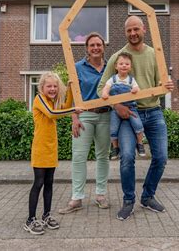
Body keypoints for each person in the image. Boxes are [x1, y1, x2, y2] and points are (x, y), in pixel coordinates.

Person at [98, 15, 174, 221]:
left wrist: (167, 86)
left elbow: (162, 84)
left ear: (144, 30)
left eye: (136, 29)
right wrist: (116, 105)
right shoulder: (117, 57)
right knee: (127, 158)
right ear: (125, 32)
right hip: (127, 114)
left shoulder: (155, 54)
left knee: (161, 158)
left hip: (154, 111)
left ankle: (147, 197)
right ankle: (129, 200)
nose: (132, 33)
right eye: (129, 30)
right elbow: (101, 88)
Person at [58, 32, 112, 214]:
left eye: (99, 44)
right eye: (92, 45)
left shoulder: (110, 68)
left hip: (106, 116)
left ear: (103, 47)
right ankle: (77, 198)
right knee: (79, 157)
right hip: (84, 117)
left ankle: (101, 195)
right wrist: (74, 117)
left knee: (103, 156)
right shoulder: (77, 67)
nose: (96, 48)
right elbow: (71, 94)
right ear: (87, 49)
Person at [23, 72, 81, 235]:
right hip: (40, 149)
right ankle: (30, 220)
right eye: (49, 86)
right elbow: (52, 114)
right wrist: (74, 110)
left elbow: (64, 106)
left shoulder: (52, 101)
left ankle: (46, 215)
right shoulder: (39, 99)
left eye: (55, 86)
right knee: (39, 183)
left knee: (49, 183)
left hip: (51, 148)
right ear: (42, 87)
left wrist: (69, 89)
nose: (53, 89)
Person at [101, 52, 146, 160]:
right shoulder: (113, 79)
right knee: (113, 128)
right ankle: (115, 148)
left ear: (130, 67)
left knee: (138, 125)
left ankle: (140, 144)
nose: (124, 66)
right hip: (116, 109)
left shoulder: (131, 80)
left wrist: (135, 89)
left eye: (127, 64)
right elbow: (106, 88)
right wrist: (105, 93)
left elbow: (137, 89)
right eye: (121, 64)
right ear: (116, 66)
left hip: (131, 108)